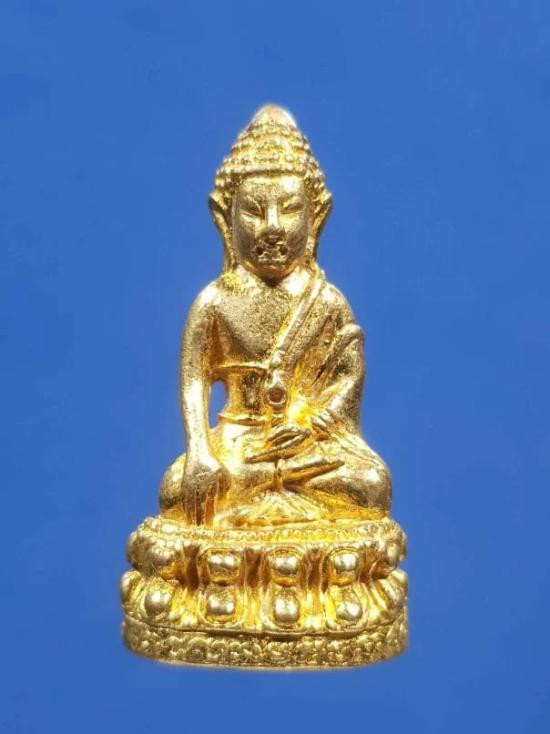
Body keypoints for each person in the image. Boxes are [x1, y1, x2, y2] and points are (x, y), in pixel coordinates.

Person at [159, 105, 391, 527]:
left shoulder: (327, 301)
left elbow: (348, 376)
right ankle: (267, 485)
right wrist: (200, 452)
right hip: (237, 442)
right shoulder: (214, 302)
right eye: (252, 211)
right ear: (223, 217)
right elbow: (193, 383)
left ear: (316, 217)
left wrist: (312, 428)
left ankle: (263, 489)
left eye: (289, 209)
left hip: (307, 445)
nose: (271, 227)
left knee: (371, 485)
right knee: (176, 489)